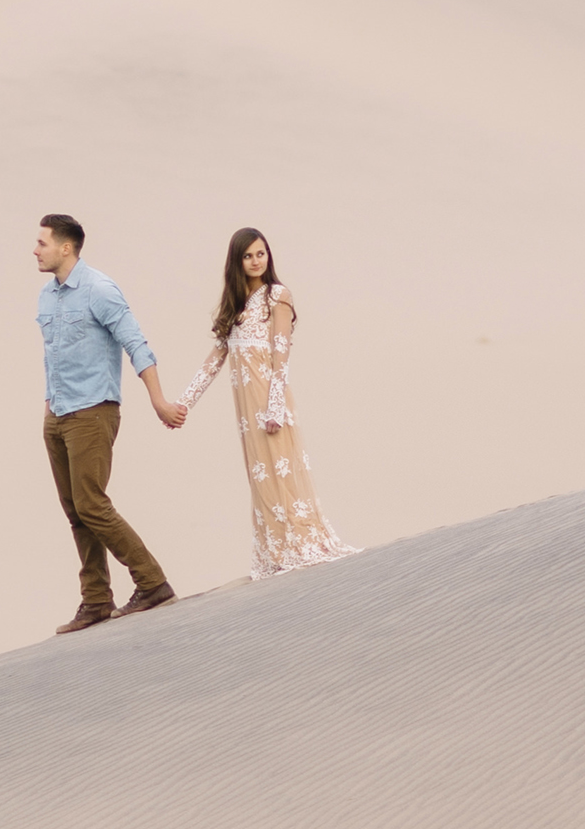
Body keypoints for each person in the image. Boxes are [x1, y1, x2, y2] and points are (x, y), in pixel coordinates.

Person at [34, 213, 185, 632]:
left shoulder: (100, 289)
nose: (35, 250)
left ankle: (152, 581)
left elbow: (135, 343)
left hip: (93, 412)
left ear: (66, 248)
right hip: (58, 415)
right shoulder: (47, 297)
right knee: (75, 511)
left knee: (92, 504)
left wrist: (158, 401)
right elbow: (52, 354)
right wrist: (49, 404)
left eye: (42, 242)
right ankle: (96, 599)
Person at [183, 227, 355, 579]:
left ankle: (300, 541)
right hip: (246, 411)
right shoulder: (235, 307)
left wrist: (275, 405)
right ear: (237, 262)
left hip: (269, 401)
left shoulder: (278, 296)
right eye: (248, 256)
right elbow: (214, 360)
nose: (256, 261)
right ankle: (275, 548)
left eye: (261, 254)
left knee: (282, 470)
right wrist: (184, 403)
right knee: (261, 477)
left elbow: (281, 353)